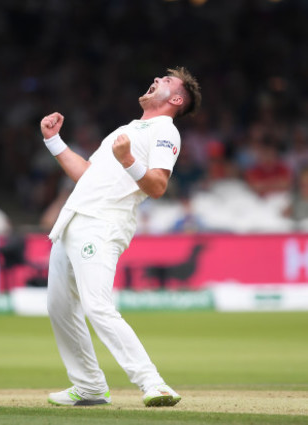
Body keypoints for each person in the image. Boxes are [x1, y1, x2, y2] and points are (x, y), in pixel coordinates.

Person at [40, 67, 201, 407]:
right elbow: (86, 174)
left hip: (103, 223)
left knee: (97, 305)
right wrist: (53, 141)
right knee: (59, 308)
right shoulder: (127, 129)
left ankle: (153, 383)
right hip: (73, 219)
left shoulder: (165, 131)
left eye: (167, 81)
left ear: (175, 99)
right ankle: (88, 387)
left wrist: (127, 159)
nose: (157, 78)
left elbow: (157, 186)